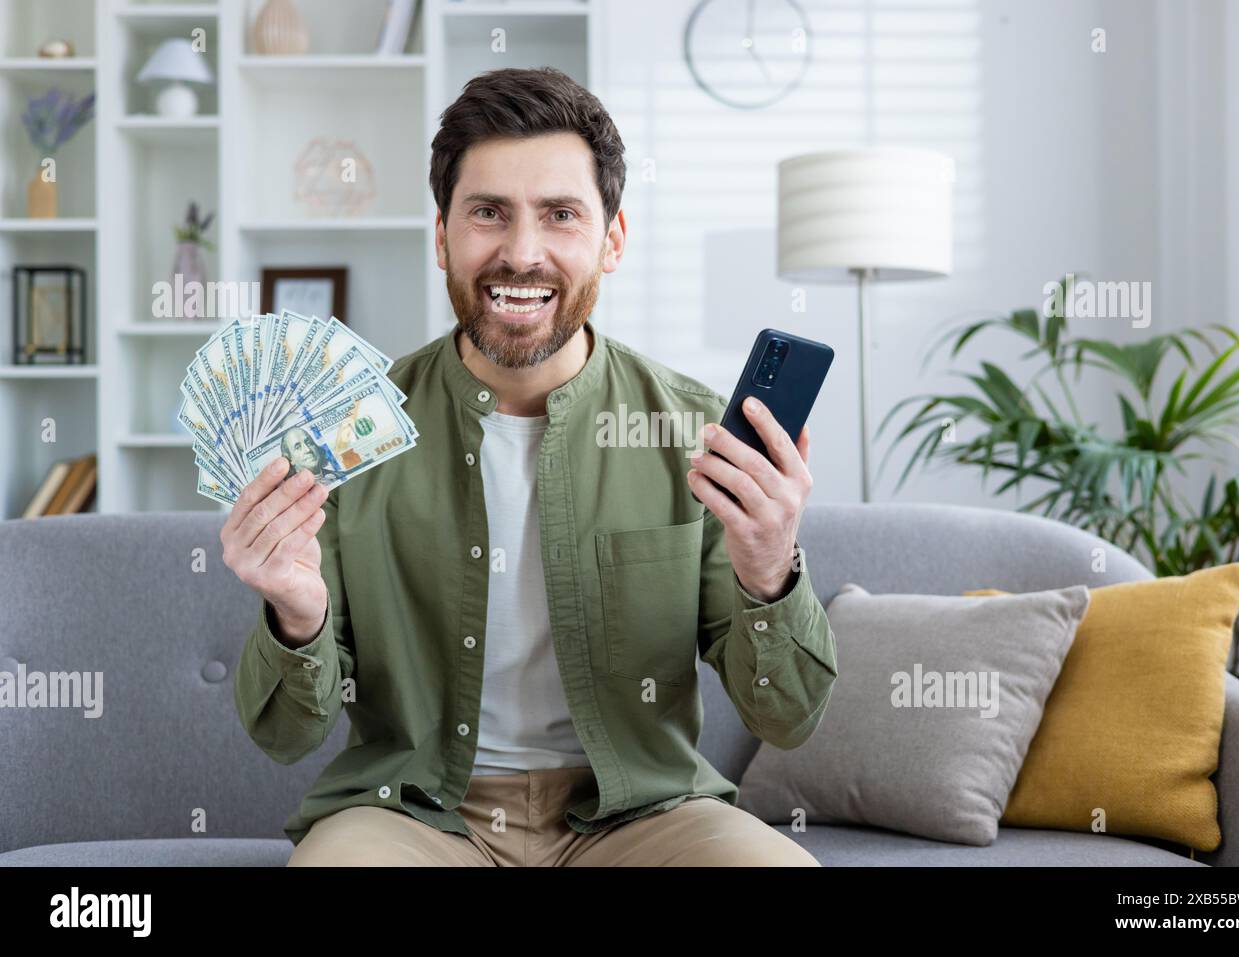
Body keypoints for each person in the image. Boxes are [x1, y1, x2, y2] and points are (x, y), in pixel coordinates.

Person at [222, 67, 836, 867]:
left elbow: (787, 717)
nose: (522, 253)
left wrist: (769, 574)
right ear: (442, 234)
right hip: (416, 817)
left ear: (611, 240)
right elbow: (282, 733)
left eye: (560, 215)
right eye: (488, 213)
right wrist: (294, 617)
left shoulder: (692, 431)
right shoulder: (342, 435)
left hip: (640, 813)